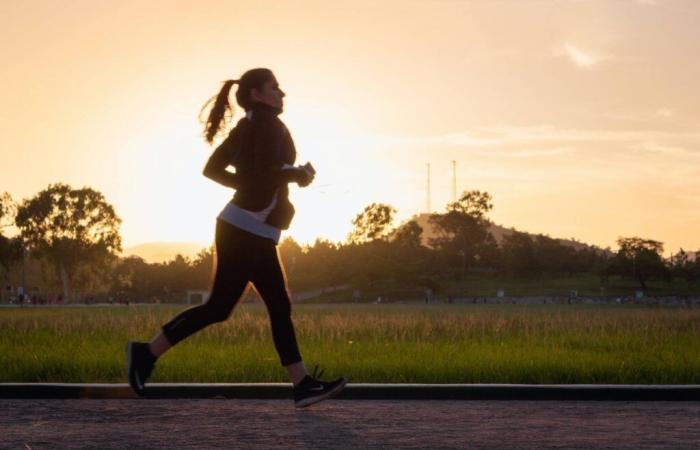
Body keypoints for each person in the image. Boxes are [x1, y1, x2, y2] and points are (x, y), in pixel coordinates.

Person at [126, 68, 346, 408]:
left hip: (250, 228)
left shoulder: (251, 127)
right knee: (228, 307)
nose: (282, 93)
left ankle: (302, 384)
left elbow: (220, 170)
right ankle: (145, 353)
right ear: (258, 94)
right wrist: (294, 174)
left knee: (267, 305)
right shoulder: (263, 126)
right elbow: (258, 172)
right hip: (244, 228)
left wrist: (268, 181)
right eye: (275, 87)